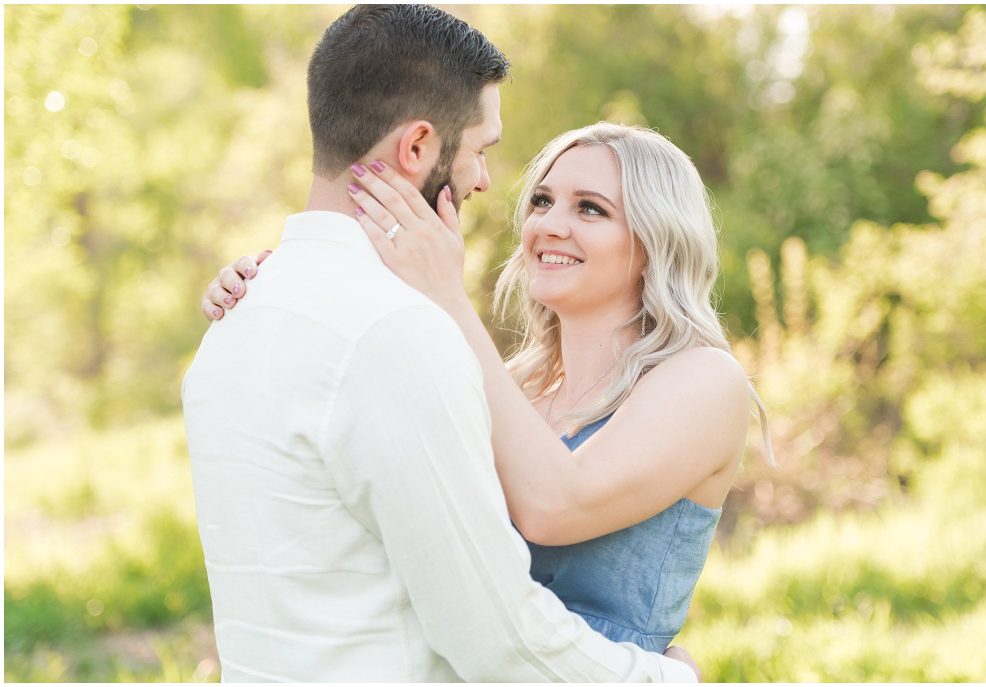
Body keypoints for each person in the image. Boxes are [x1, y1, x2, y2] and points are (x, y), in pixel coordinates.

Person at [182, 4, 701, 682]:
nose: (486, 181)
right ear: (418, 146)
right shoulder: (396, 332)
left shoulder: (237, 320)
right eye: (480, 148)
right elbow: (496, 638)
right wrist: (669, 677)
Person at [204, 121, 776, 652]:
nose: (551, 224)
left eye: (591, 209)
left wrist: (449, 298)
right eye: (543, 201)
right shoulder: (515, 387)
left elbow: (556, 506)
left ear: (655, 240)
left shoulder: (704, 379)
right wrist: (280, 293)